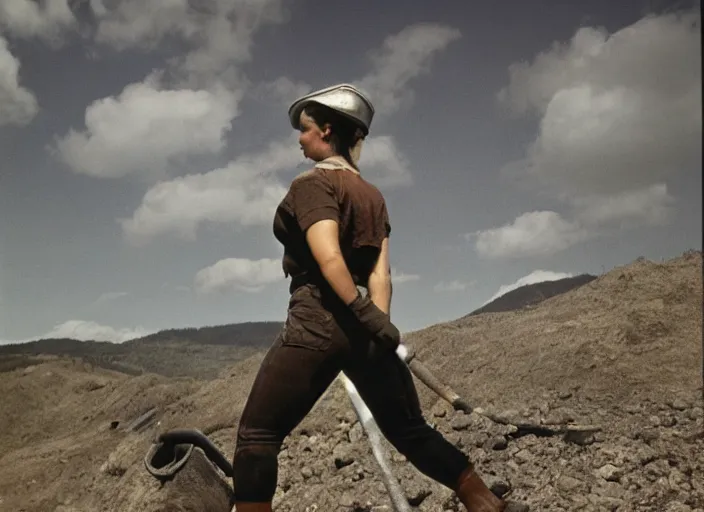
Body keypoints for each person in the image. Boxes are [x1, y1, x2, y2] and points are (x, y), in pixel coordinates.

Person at [231, 84, 507, 512]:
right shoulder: (371, 194)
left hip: (317, 318)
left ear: (326, 131)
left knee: (257, 436)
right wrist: (377, 322)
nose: (299, 139)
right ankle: (484, 501)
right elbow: (381, 271)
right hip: (364, 329)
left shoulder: (313, 184)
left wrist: (357, 311)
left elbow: (328, 256)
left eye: (304, 130)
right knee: (410, 430)